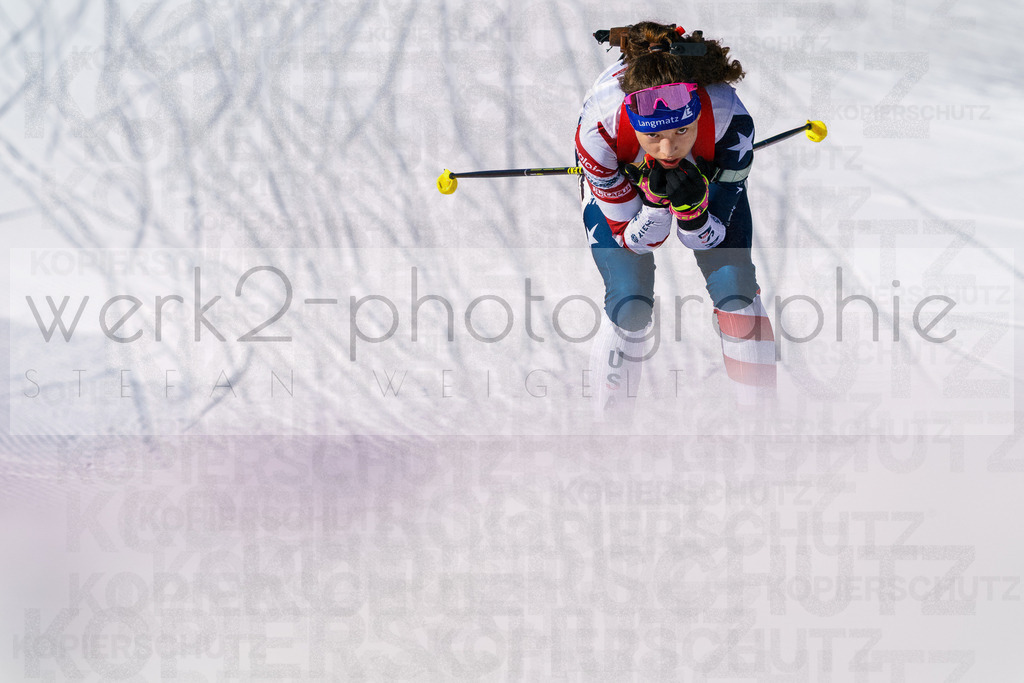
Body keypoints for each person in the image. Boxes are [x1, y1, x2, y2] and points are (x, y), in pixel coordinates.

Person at [576, 21, 776, 416]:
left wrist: (693, 210)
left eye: (683, 131)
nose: (668, 148)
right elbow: (632, 240)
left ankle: (764, 426)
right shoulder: (598, 130)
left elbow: (708, 237)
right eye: (653, 137)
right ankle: (606, 434)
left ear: (699, 112)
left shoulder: (730, 119)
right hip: (623, 177)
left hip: (708, 171)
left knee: (734, 288)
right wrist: (652, 205)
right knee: (630, 301)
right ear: (634, 123)